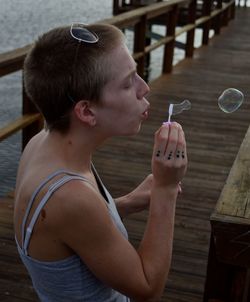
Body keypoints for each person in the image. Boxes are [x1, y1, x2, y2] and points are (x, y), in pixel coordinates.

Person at [14, 22, 187, 302]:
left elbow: (68, 232)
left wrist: (129, 201)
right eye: (128, 82)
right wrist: (165, 190)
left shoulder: (40, 145)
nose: (144, 88)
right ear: (87, 110)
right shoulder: (70, 197)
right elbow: (147, 288)